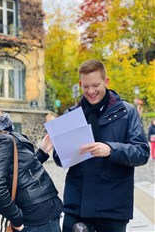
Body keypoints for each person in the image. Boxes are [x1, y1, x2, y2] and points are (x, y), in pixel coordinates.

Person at [53, 59, 150, 232]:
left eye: (95, 85)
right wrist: (65, 148)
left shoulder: (127, 112)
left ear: (106, 81)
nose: (90, 91)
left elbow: (142, 153)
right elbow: (59, 160)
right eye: (85, 86)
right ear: (80, 84)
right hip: (77, 206)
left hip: (113, 208)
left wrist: (111, 150)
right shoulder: (71, 115)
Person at [0, 101, 63, 232]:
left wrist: (42, 152)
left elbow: (22, 172)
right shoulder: (1, 140)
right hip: (38, 216)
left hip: (43, 212)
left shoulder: (4, 135)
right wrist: (18, 220)